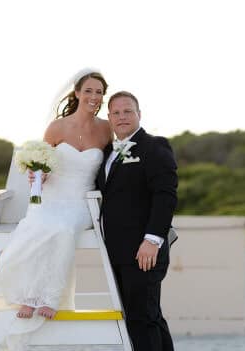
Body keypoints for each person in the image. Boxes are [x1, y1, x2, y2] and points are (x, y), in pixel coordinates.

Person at [0, 69, 112, 349]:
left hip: (80, 203)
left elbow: (110, 168)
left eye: (99, 92)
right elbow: (40, 164)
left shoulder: (106, 129)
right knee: (41, 225)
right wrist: (38, 175)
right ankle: (28, 296)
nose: (94, 97)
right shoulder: (57, 128)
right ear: (77, 93)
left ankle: (49, 297)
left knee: (62, 228)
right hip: (49, 198)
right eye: (89, 91)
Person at [96, 89, 179, 351]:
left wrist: (152, 240)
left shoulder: (155, 146)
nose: (122, 117)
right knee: (147, 317)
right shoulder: (106, 152)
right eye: (116, 113)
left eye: (128, 111)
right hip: (118, 252)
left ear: (139, 114)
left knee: (141, 320)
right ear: (109, 118)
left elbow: (165, 196)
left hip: (145, 251)